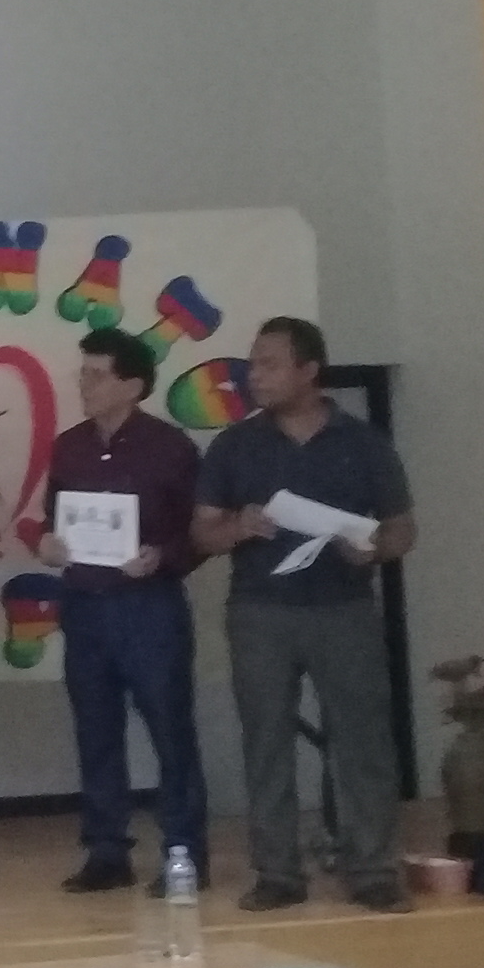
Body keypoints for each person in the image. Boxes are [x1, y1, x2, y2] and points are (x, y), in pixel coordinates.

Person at [193, 316, 420, 914]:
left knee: (362, 740)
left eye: (269, 364)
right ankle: (277, 872)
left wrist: (374, 548)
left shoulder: (363, 442)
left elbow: (402, 529)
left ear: (309, 370)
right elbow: (202, 531)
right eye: (252, 364)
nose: (254, 376)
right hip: (260, 611)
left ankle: (372, 870)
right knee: (266, 741)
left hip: (344, 609)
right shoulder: (235, 444)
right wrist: (237, 526)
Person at [32, 331, 208, 896]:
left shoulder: (171, 447)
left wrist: (162, 557)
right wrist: (48, 544)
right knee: (95, 730)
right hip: (85, 604)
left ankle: (184, 854)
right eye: (83, 373)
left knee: (169, 731)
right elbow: (53, 519)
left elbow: (199, 533)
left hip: (148, 605)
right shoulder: (70, 446)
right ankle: (106, 851)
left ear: (132, 385)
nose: (84, 384)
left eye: (97, 374)